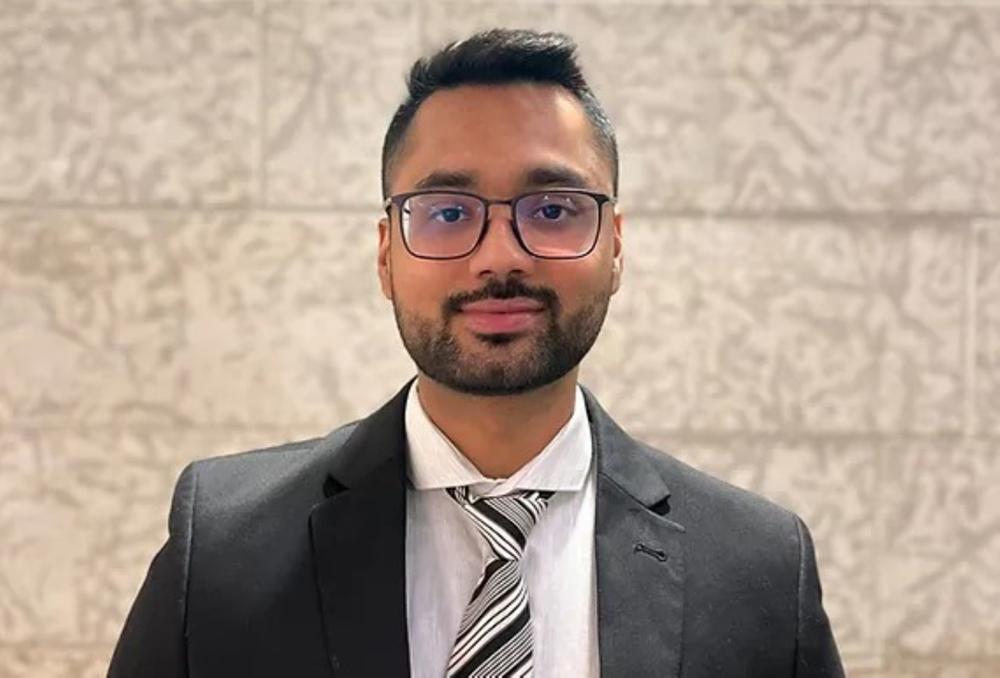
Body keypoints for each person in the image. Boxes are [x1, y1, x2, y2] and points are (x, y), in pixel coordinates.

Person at [108, 28, 844, 678]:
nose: (499, 257)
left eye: (553, 210)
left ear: (615, 248)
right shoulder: (226, 546)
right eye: (448, 212)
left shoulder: (759, 571)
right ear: (387, 255)